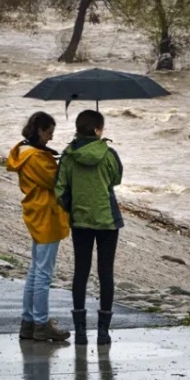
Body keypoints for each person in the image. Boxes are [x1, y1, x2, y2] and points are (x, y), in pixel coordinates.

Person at [55, 110, 123, 345]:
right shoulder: (109, 154)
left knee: (80, 272)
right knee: (106, 273)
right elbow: (116, 179)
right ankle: (103, 332)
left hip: (80, 221)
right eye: (101, 127)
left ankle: (81, 332)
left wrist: (72, 208)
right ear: (96, 130)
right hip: (107, 221)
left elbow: (60, 188)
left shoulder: (68, 155)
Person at [7, 111, 71, 342]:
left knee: (35, 272)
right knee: (43, 274)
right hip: (47, 215)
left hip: (35, 212)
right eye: (49, 133)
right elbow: (58, 181)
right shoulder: (37, 158)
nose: (51, 139)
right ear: (40, 130)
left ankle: (29, 322)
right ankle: (41, 324)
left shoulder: (23, 152)